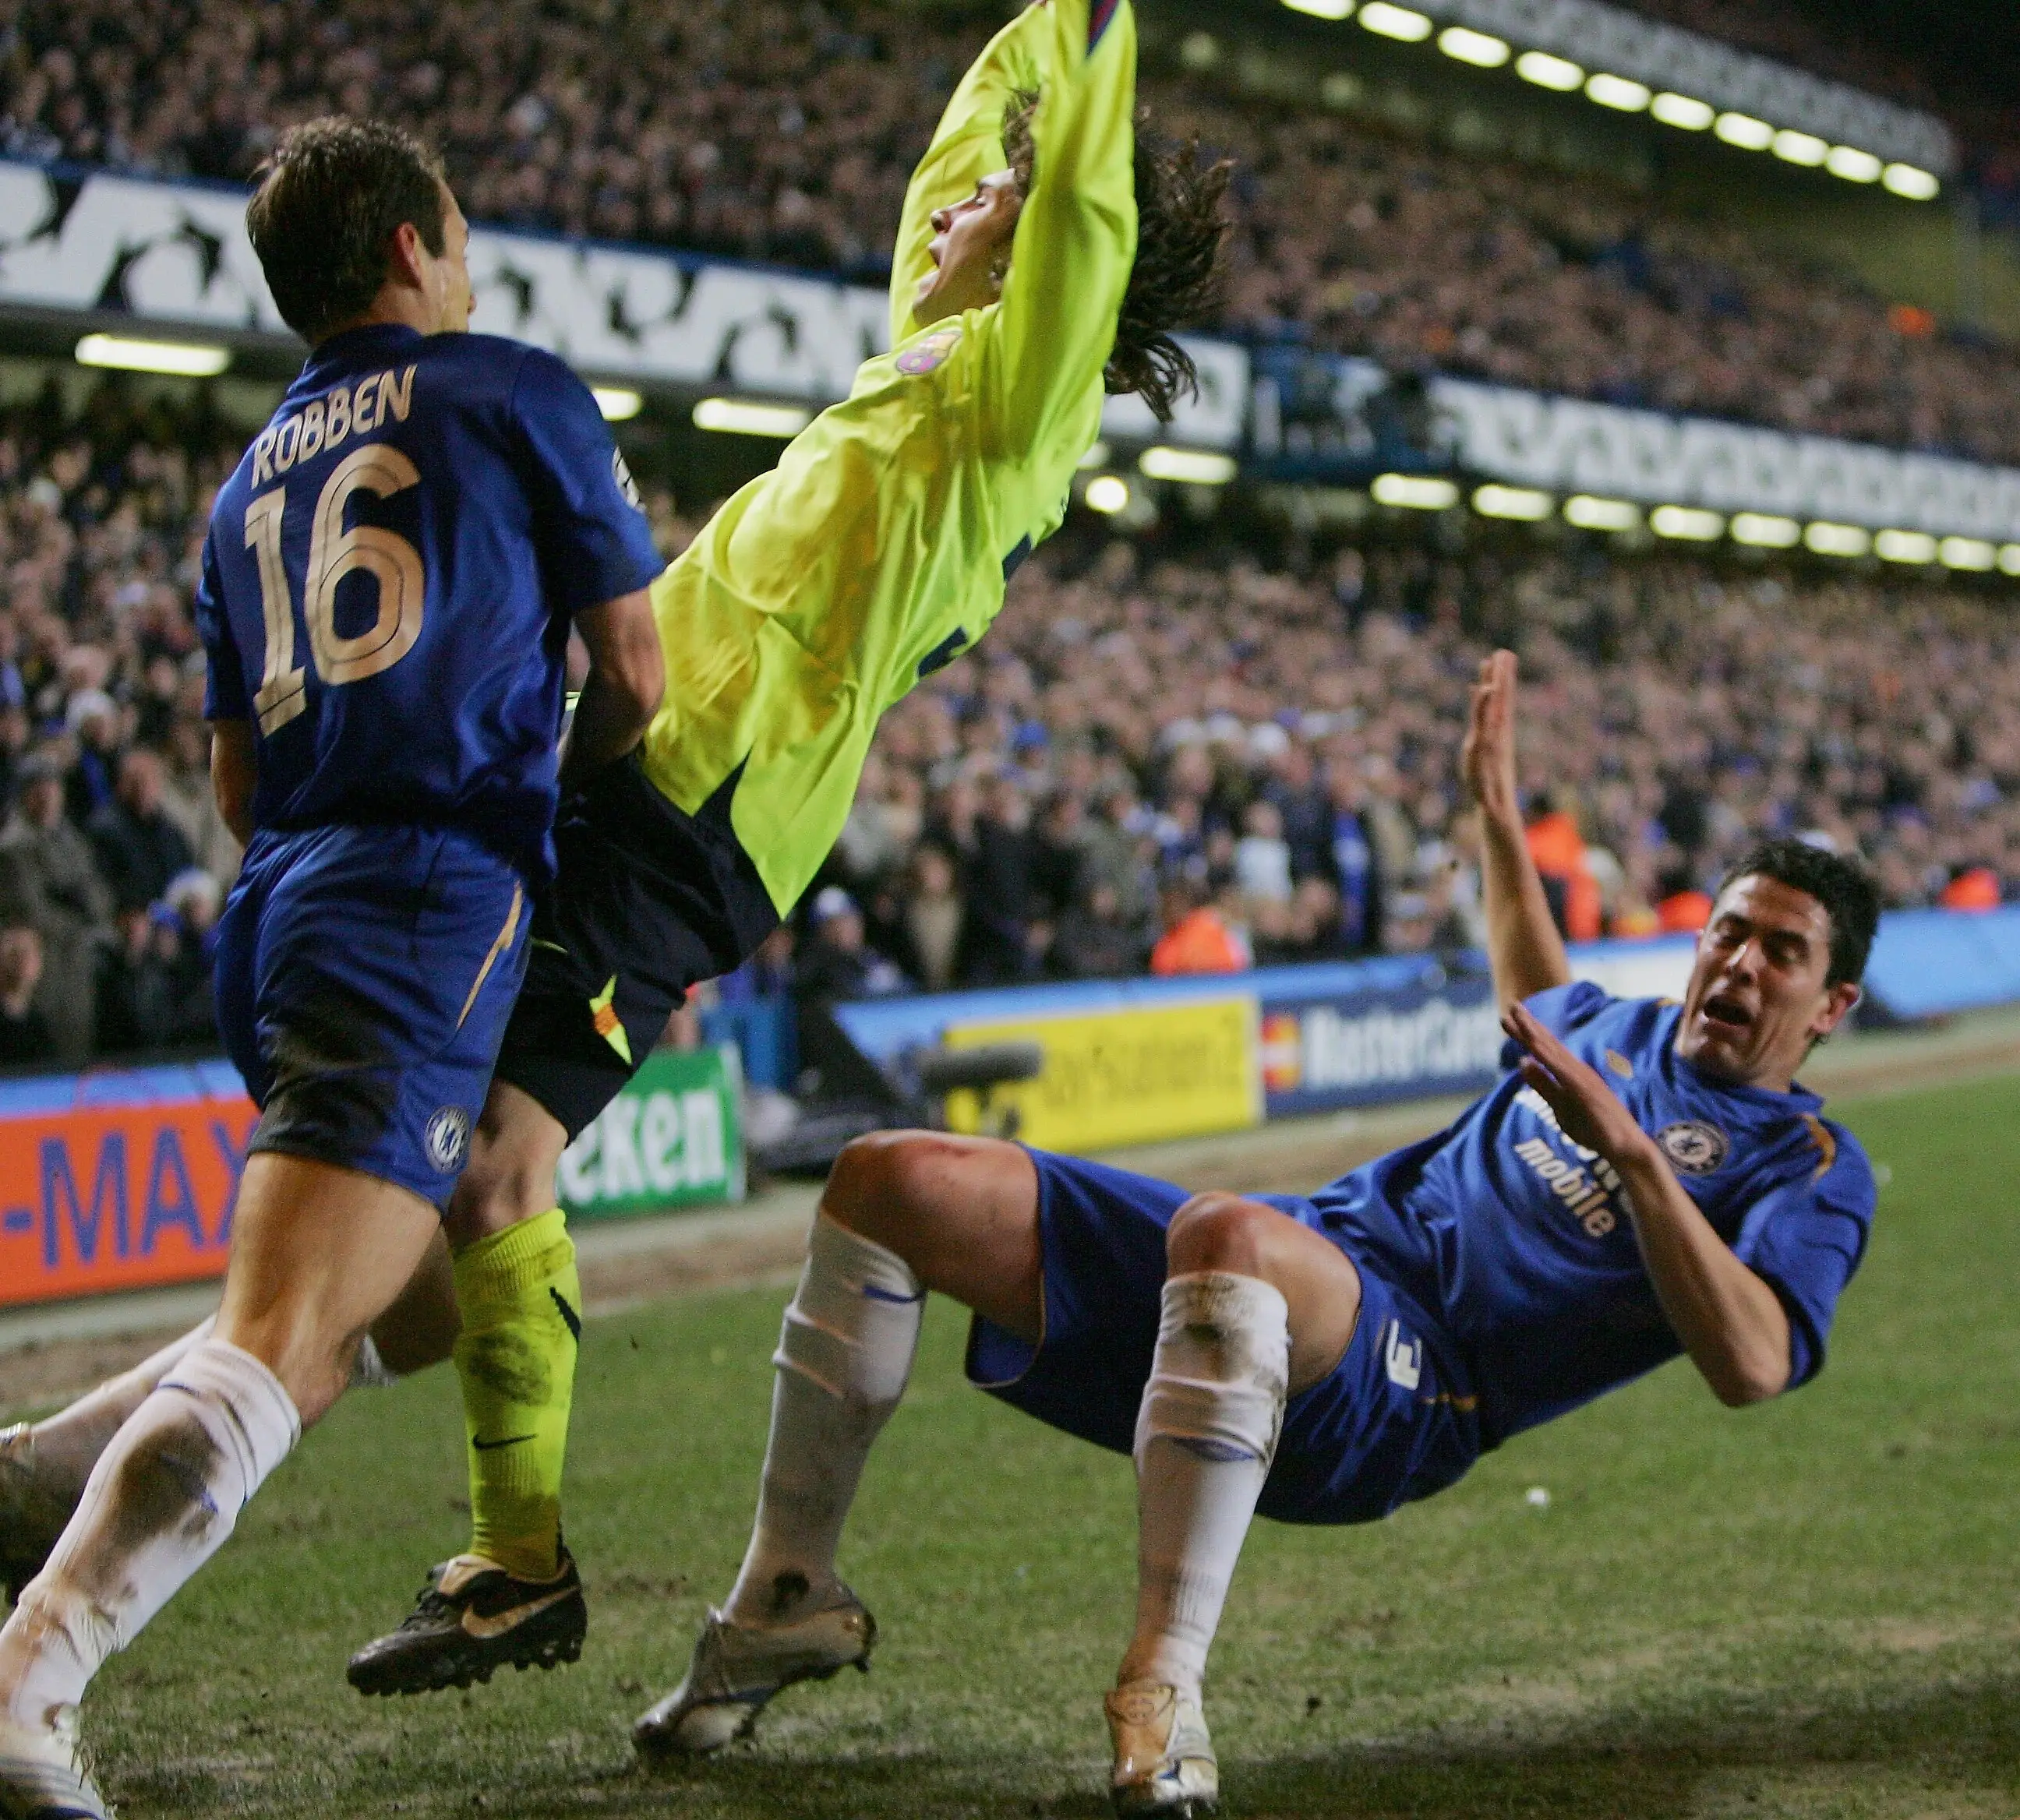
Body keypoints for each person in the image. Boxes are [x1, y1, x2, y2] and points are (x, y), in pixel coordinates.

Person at [2, 0, 1231, 1715]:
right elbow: (982, 157)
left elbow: (1077, 223)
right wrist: (1038, 40)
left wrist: (1093, 70)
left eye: (991, 216)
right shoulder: (933, 366)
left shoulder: (1018, 414)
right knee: (410, 1249)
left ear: (1050, 279)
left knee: (491, 1165)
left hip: (687, 814)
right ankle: (70, 1466)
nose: (947, 218)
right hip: (629, 779)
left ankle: (516, 1568)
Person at [632, 650, 1880, 1817]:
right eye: (1730, 929)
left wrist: (1638, 1165)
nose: (1742, 964)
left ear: (1832, 1004)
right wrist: (1497, 816)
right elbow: (1536, 993)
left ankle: (1159, 1689)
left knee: (1227, 1235)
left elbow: (1755, 1364)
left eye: (1784, 953)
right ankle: (779, 1598)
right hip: (1295, 1260)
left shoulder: (1810, 1168)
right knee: (887, 1178)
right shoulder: (1619, 1028)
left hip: (1413, 1390)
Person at [0, 116, 664, 1819]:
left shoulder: (245, 486)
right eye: (455, 227)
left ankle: (30, 1486)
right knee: (292, 1334)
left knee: (406, 1302)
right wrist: (547, 805)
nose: (471, 253)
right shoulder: (513, 391)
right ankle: (30, 1679)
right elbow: (640, 680)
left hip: (289, 901)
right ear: (405, 252)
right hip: (423, 897)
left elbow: (231, 782)